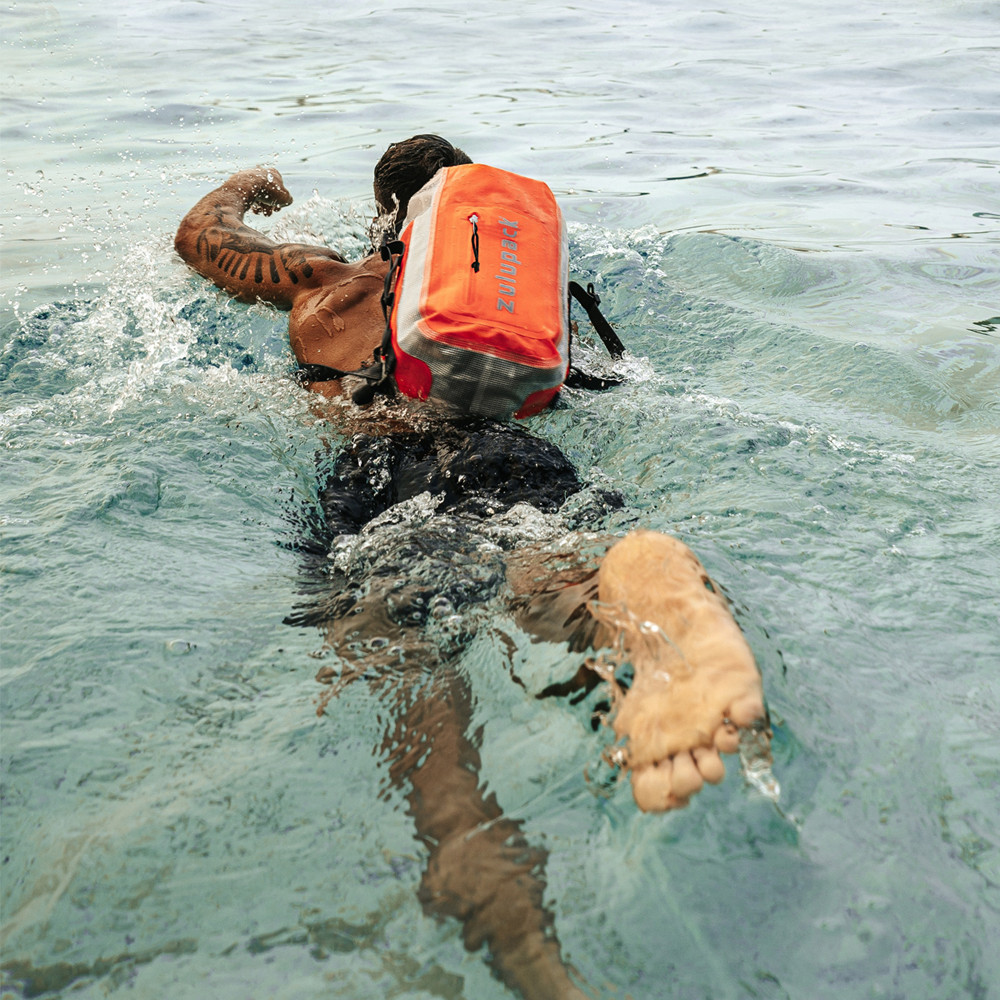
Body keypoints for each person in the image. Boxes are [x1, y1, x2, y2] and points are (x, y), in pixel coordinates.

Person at [174, 136, 772, 1000]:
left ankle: (508, 921)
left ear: (389, 216)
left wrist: (248, 186)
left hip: (375, 481)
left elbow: (201, 237)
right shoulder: (519, 299)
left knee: (422, 719)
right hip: (509, 461)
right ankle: (632, 582)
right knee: (551, 574)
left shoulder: (327, 286)